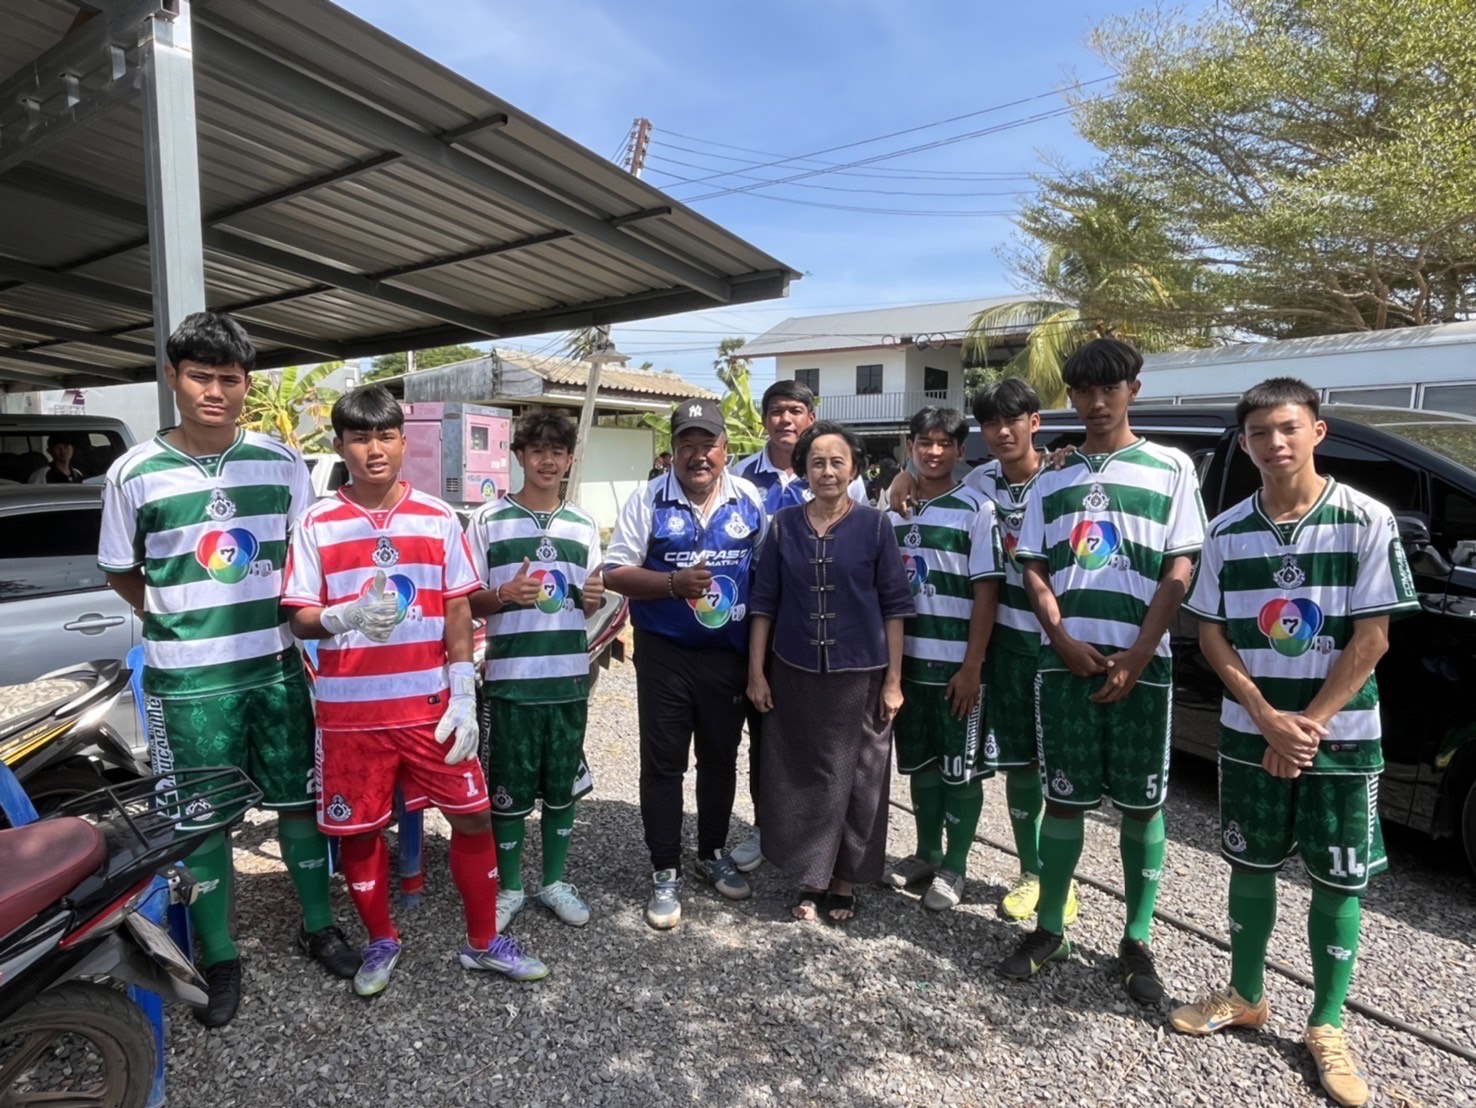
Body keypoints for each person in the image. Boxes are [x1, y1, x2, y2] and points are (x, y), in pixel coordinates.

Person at [98, 311, 356, 1027]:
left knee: (299, 802)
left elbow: (308, 560)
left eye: (230, 378)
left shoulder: (280, 464)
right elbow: (121, 570)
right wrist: (179, 618)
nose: (215, 391)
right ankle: (220, 955)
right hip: (187, 683)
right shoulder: (133, 473)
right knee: (202, 820)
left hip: (275, 668)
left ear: (247, 384)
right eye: (200, 376)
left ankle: (318, 925)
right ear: (172, 377)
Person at [1170, 379, 1417, 1108]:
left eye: (1287, 428)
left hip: (1341, 737)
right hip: (1252, 733)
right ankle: (1246, 994)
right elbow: (1212, 635)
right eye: (1259, 434)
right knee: (1249, 863)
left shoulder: (1365, 519)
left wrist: (1303, 725)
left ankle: (1327, 1022)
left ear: (1318, 432)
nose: (1274, 444)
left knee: (1338, 879)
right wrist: (1266, 717)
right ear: (1244, 444)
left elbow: (1373, 638)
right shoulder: (1226, 530)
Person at [282, 384, 547, 997]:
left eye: (385, 436)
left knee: (473, 818)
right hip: (349, 714)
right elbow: (298, 617)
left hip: (431, 707)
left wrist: (463, 690)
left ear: (404, 442)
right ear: (340, 445)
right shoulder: (316, 522)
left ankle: (483, 942)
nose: (373, 449)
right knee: (359, 831)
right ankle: (381, 939)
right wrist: (344, 616)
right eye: (359, 438)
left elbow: (457, 608)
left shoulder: (437, 516)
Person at [997, 337, 1206, 1005]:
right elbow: (1033, 568)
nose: (1094, 402)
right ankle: (1051, 927)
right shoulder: (1051, 479)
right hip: (1066, 667)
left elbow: (1180, 566)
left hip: (1144, 666)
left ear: (1133, 390)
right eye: (1083, 391)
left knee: (1143, 806)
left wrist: (1142, 649)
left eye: (1108, 389)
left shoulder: (1171, 468)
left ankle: (1137, 939)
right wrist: (1059, 637)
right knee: (1064, 798)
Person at [887, 378, 1081, 923]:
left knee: (1044, 769)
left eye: (1011, 420)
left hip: (1055, 642)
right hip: (999, 644)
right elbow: (928, 475)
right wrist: (903, 474)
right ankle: (993, 864)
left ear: (1034, 423)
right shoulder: (980, 481)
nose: (1001, 432)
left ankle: (1045, 875)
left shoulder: (1065, 474)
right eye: (991, 423)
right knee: (1010, 761)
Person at [604, 398, 767, 929]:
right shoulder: (648, 498)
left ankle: (711, 853)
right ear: (672, 450)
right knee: (664, 763)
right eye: (687, 445)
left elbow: (767, 572)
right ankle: (665, 869)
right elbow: (614, 571)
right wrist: (672, 584)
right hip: (665, 654)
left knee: (720, 759)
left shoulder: (749, 499)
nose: (699, 455)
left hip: (727, 656)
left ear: (726, 449)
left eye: (708, 445)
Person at [747, 421, 913, 922]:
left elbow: (895, 607)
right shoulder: (784, 526)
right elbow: (764, 603)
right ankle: (811, 876)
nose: (827, 471)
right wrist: (757, 672)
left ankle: (845, 879)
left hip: (861, 674)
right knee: (804, 775)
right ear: (803, 470)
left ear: (854, 469)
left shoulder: (875, 526)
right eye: (816, 462)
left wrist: (893, 681)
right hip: (795, 670)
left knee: (860, 778)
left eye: (837, 462)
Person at [466, 412, 604, 933]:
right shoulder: (488, 521)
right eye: (538, 450)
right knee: (508, 791)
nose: (548, 461)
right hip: (511, 681)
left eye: (557, 452)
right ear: (519, 456)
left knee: (561, 788)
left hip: (568, 679)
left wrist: (593, 599)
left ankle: (553, 881)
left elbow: (588, 604)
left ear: (569, 460)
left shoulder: (583, 525)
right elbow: (464, 602)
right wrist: (503, 594)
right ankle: (510, 887)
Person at [729, 379, 868, 873]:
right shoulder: (741, 475)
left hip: (822, 629)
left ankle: (820, 840)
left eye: (795, 410)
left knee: (820, 738)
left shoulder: (840, 473)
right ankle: (765, 826)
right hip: (758, 620)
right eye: (775, 411)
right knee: (764, 732)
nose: (784, 419)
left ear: (810, 416)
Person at [881, 407, 1004, 912]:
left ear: (959, 449)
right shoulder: (892, 510)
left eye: (944, 443)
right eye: (924, 442)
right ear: (910, 446)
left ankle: (956, 864)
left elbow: (987, 592)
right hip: (906, 665)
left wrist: (973, 666)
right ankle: (926, 851)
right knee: (922, 766)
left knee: (961, 771)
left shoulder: (977, 509)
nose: (933, 452)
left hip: (956, 668)